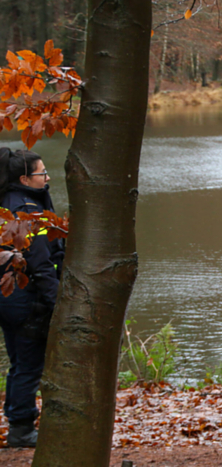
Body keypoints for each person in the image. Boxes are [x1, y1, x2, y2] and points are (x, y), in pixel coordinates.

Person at [0, 147, 64, 447]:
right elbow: (40, 263)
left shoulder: (7, 202)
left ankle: (17, 421)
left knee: (18, 363)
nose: (47, 177)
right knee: (28, 365)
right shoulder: (27, 210)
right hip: (26, 301)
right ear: (25, 178)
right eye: (42, 173)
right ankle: (21, 429)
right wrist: (57, 303)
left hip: (10, 298)